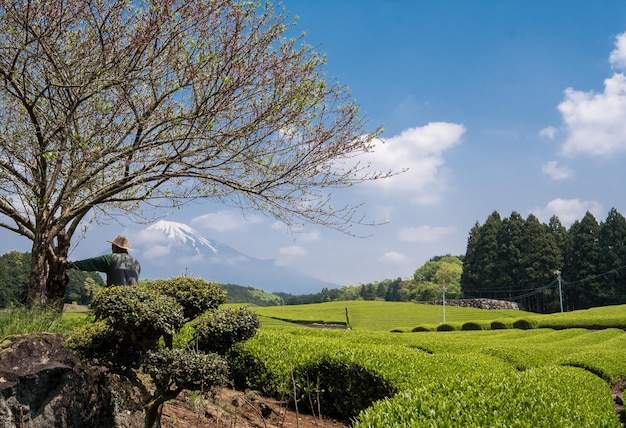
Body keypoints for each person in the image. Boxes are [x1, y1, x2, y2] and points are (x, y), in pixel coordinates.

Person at [69, 234, 141, 286]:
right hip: (133, 300)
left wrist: (71, 265)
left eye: (112, 246)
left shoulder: (111, 259)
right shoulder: (136, 263)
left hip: (115, 299)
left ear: (116, 247)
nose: (111, 248)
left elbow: (91, 263)